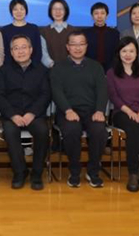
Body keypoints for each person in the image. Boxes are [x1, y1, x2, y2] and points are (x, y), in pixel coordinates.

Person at [51, 30, 108, 188]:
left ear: (86, 46)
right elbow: (56, 92)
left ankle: (93, 171)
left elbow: (102, 91)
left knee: (99, 131)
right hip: (67, 111)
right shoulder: (58, 67)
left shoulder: (96, 67)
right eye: (74, 44)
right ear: (67, 47)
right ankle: (74, 171)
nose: (78, 48)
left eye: (81, 44)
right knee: (71, 130)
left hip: (92, 111)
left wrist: (100, 110)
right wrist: (68, 110)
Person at [0, 35, 51, 190]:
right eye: (16, 48)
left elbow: (45, 94)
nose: (20, 51)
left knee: (42, 131)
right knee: (10, 131)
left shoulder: (42, 70)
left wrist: (32, 113)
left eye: (24, 47)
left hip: (34, 115)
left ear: (31, 50)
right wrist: (13, 115)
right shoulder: (4, 70)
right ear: (11, 52)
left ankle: (37, 173)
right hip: (12, 115)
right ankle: (20, 172)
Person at [106, 36, 139, 193]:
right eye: (124, 51)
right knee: (132, 128)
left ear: (137, 53)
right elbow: (114, 97)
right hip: (121, 112)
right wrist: (130, 112)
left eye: (131, 51)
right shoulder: (112, 73)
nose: (128, 54)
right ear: (118, 53)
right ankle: (133, 173)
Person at [1, 0, 43, 65]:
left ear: (26, 10)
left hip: (32, 66)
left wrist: (32, 66)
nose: (19, 12)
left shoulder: (34, 28)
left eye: (21, 9)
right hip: (11, 68)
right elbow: (6, 53)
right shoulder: (5, 30)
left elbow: (38, 52)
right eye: (15, 9)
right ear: (11, 12)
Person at [40, 0, 77, 67]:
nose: (58, 12)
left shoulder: (74, 31)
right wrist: (52, 65)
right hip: (50, 69)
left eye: (61, 9)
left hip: (71, 68)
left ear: (66, 11)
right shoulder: (44, 32)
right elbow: (43, 53)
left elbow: (76, 50)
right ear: (50, 11)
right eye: (54, 9)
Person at [84, 1, 120, 72]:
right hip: (89, 69)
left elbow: (116, 54)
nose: (99, 16)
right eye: (96, 13)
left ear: (107, 16)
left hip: (110, 70)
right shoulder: (85, 33)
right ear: (92, 16)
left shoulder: (115, 33)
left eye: (102, 13)